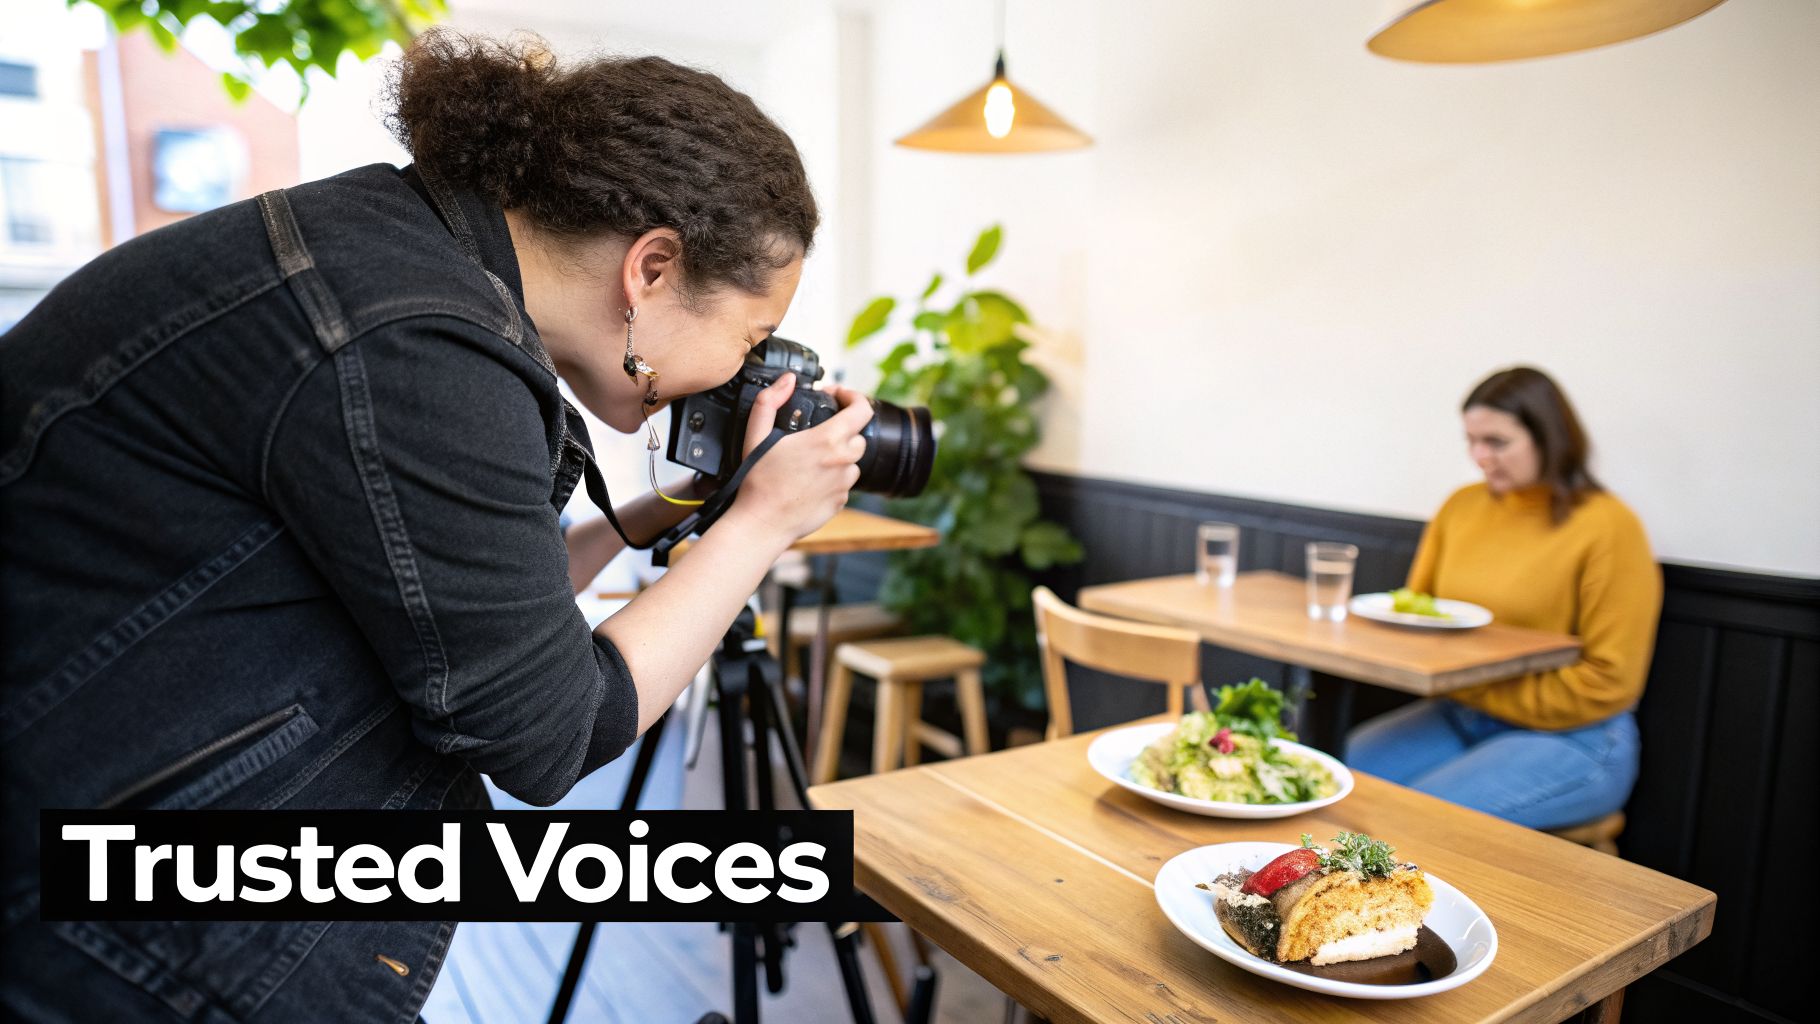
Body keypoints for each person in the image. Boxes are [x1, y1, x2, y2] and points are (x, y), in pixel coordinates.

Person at [0, 30, 869, 1022]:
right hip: (122, 931)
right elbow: (555, 734)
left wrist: (664, 512)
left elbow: (468, 589)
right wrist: (757, 527)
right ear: (653, 267)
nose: (738, 371)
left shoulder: (400, 250)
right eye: (748, 337)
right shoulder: (416, 342)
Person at [1346, 367, 1662, 830]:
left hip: (1576, 736)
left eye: (1497, 442)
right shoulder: (1461, 507)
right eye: (1471, 441)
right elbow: (1418, 615)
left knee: (1411, 827)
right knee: (1329, 783)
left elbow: (1609, 682)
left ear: (1549, 438)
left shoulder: (1609, 526)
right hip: (1458, 713)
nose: (1479, 457)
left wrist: (1466, 682)